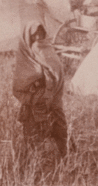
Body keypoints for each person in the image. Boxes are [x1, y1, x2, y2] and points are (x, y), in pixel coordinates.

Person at [12, 21, 68, 160]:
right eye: (35, 35)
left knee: (60, 130)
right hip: (33, 103)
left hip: (52, 97)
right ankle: (35, 164)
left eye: (41, 34)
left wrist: (49, 86)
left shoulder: (45, 48)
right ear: (28, 38)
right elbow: (19, 86)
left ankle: (64, 159)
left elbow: (56, 70)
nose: (38, 38)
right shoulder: (25, 57)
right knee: (34, 136)